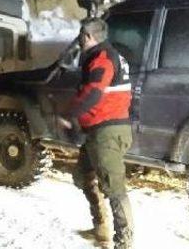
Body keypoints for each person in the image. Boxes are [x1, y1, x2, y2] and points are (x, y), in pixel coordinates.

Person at [59, 17, 134, 248]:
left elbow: (93, 93)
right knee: (83, 177)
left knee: (114, 187)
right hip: (97, 130)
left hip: (108, 131)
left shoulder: (103, 58)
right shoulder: (101, 56)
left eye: (81, 35)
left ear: (88, 36)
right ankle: (101, 226)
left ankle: (125, 242)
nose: (79, 40)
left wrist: (70, 114)